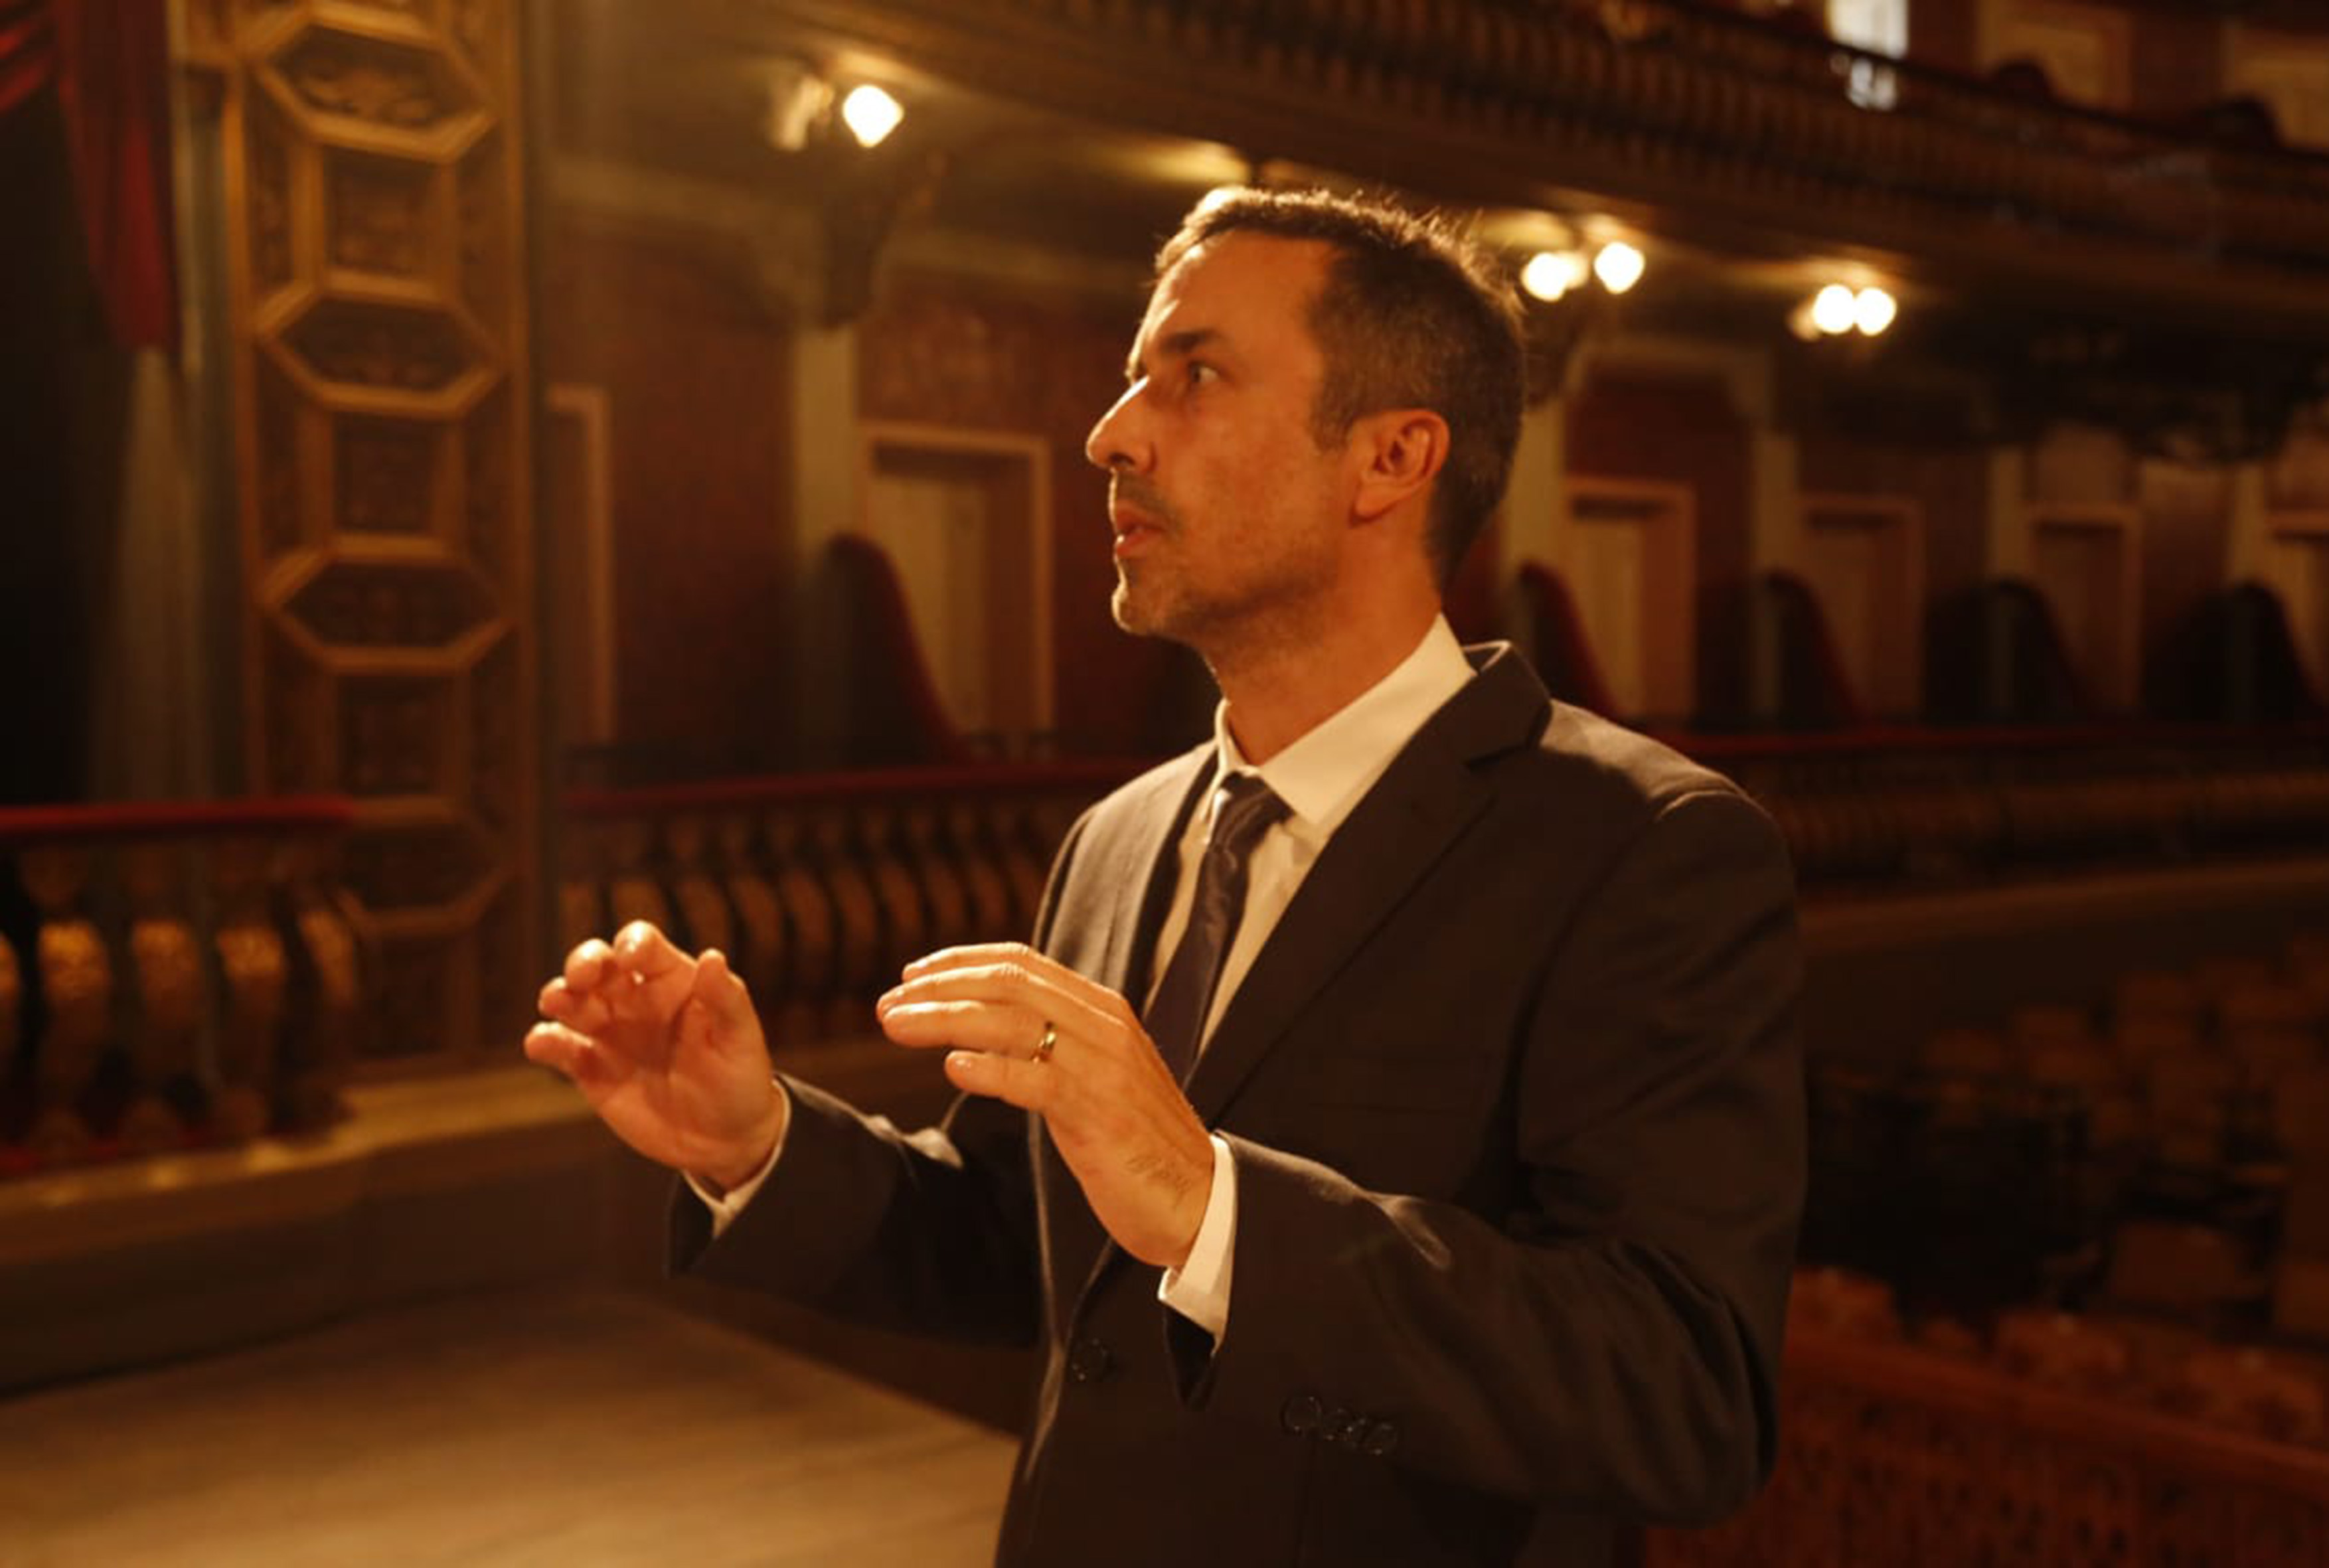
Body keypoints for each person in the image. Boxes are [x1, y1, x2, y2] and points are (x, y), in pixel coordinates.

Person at [526, 187, 1805, 1567]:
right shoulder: (1120, 835)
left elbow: (1678, 1394)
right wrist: (755, 1142)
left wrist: (1214, 1203)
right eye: (1137, 375)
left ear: (1390, 459)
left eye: (1193, 376)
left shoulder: (1641, 846)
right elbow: (1022, 1245)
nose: (1111, 433)